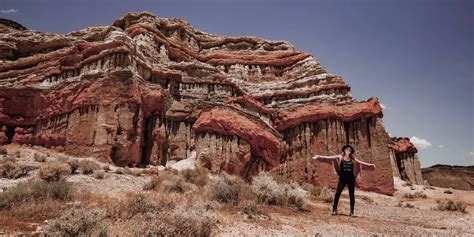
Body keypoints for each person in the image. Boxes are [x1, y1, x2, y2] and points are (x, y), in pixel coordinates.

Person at [312, 144, 376, 216]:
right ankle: (334, 209)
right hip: (342, 179)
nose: (348, 151)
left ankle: (352, 211)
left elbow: (361, 163)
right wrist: (318, 157)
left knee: (351, 195)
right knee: (337, 193)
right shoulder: (340, 157)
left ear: (351, 152)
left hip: (351, 179)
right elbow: (329, 158)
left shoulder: (353, 159)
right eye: (346, 150)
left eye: (349, 150)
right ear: (344, 151)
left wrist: (370, 165)